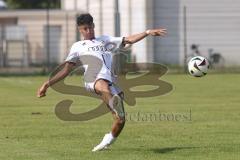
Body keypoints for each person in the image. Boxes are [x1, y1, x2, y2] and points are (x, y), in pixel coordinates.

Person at [37, 13, 167, 152]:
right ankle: (114, 102)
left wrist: (147, 32)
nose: (88, 31)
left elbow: (128, 39)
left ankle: (106, 142)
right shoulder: (77, 46)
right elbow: (66, 70)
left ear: (93, 26)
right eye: (85, 29)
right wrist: (47, 84)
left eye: (90, 28)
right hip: (93, 78)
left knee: (120, 120)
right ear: (79, 30)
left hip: (111, 80)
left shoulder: (105, 40)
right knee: (102, 83)